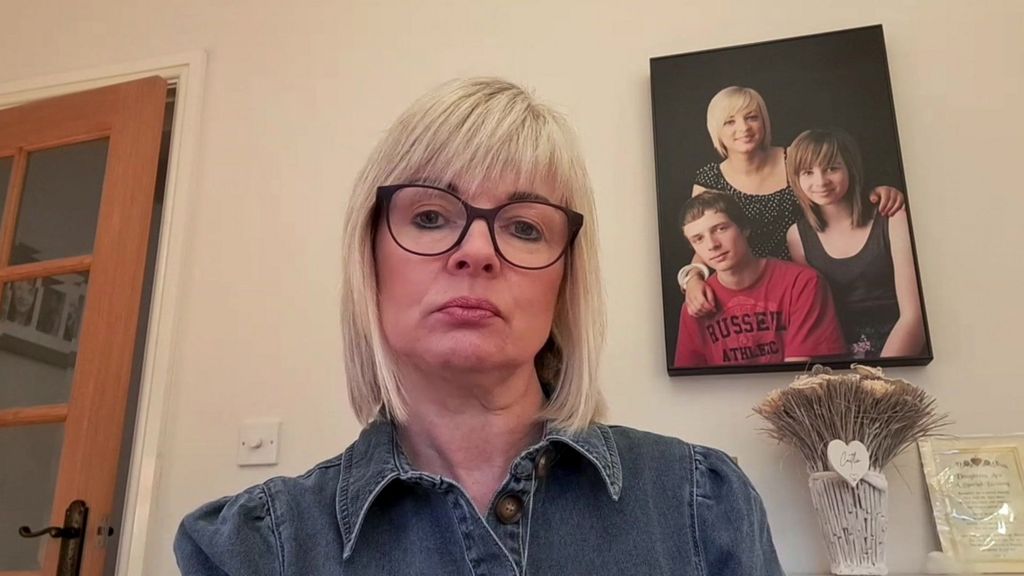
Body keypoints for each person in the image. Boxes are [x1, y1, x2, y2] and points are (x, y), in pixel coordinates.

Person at [174, 78, 785, 575]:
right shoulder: (254, 550)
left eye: (524, 227)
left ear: (565, 281)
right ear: (371, 257)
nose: (476, 252)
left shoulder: (703, 504)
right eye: (432, 215)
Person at [681, 85, 905, 318]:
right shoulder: (710, 179)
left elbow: (836, 191)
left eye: (751, 117)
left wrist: (880, 192)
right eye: (730, 121)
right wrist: (693, 277)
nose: (744, 128)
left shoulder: (794, 159)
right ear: (716, 130)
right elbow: (705, 238)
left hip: (809, 278)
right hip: (747, 287)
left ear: (764, 122)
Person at [785, 128, 925, 359]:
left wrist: (878, 379)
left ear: (850, 167)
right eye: (808, 172)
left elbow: (915, 317)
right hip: (838, 358)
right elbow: (816, 320)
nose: (820, 181)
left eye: (832, 168)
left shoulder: (892, 216)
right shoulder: (797, 237)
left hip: (899, 350)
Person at [675, 191, 846, 368]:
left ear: (744, 228)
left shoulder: (803, 283)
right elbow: (689, 382)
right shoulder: (696, 303)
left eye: (720, 229)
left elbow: (798, 377)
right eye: (698, 239)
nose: (712, 245)